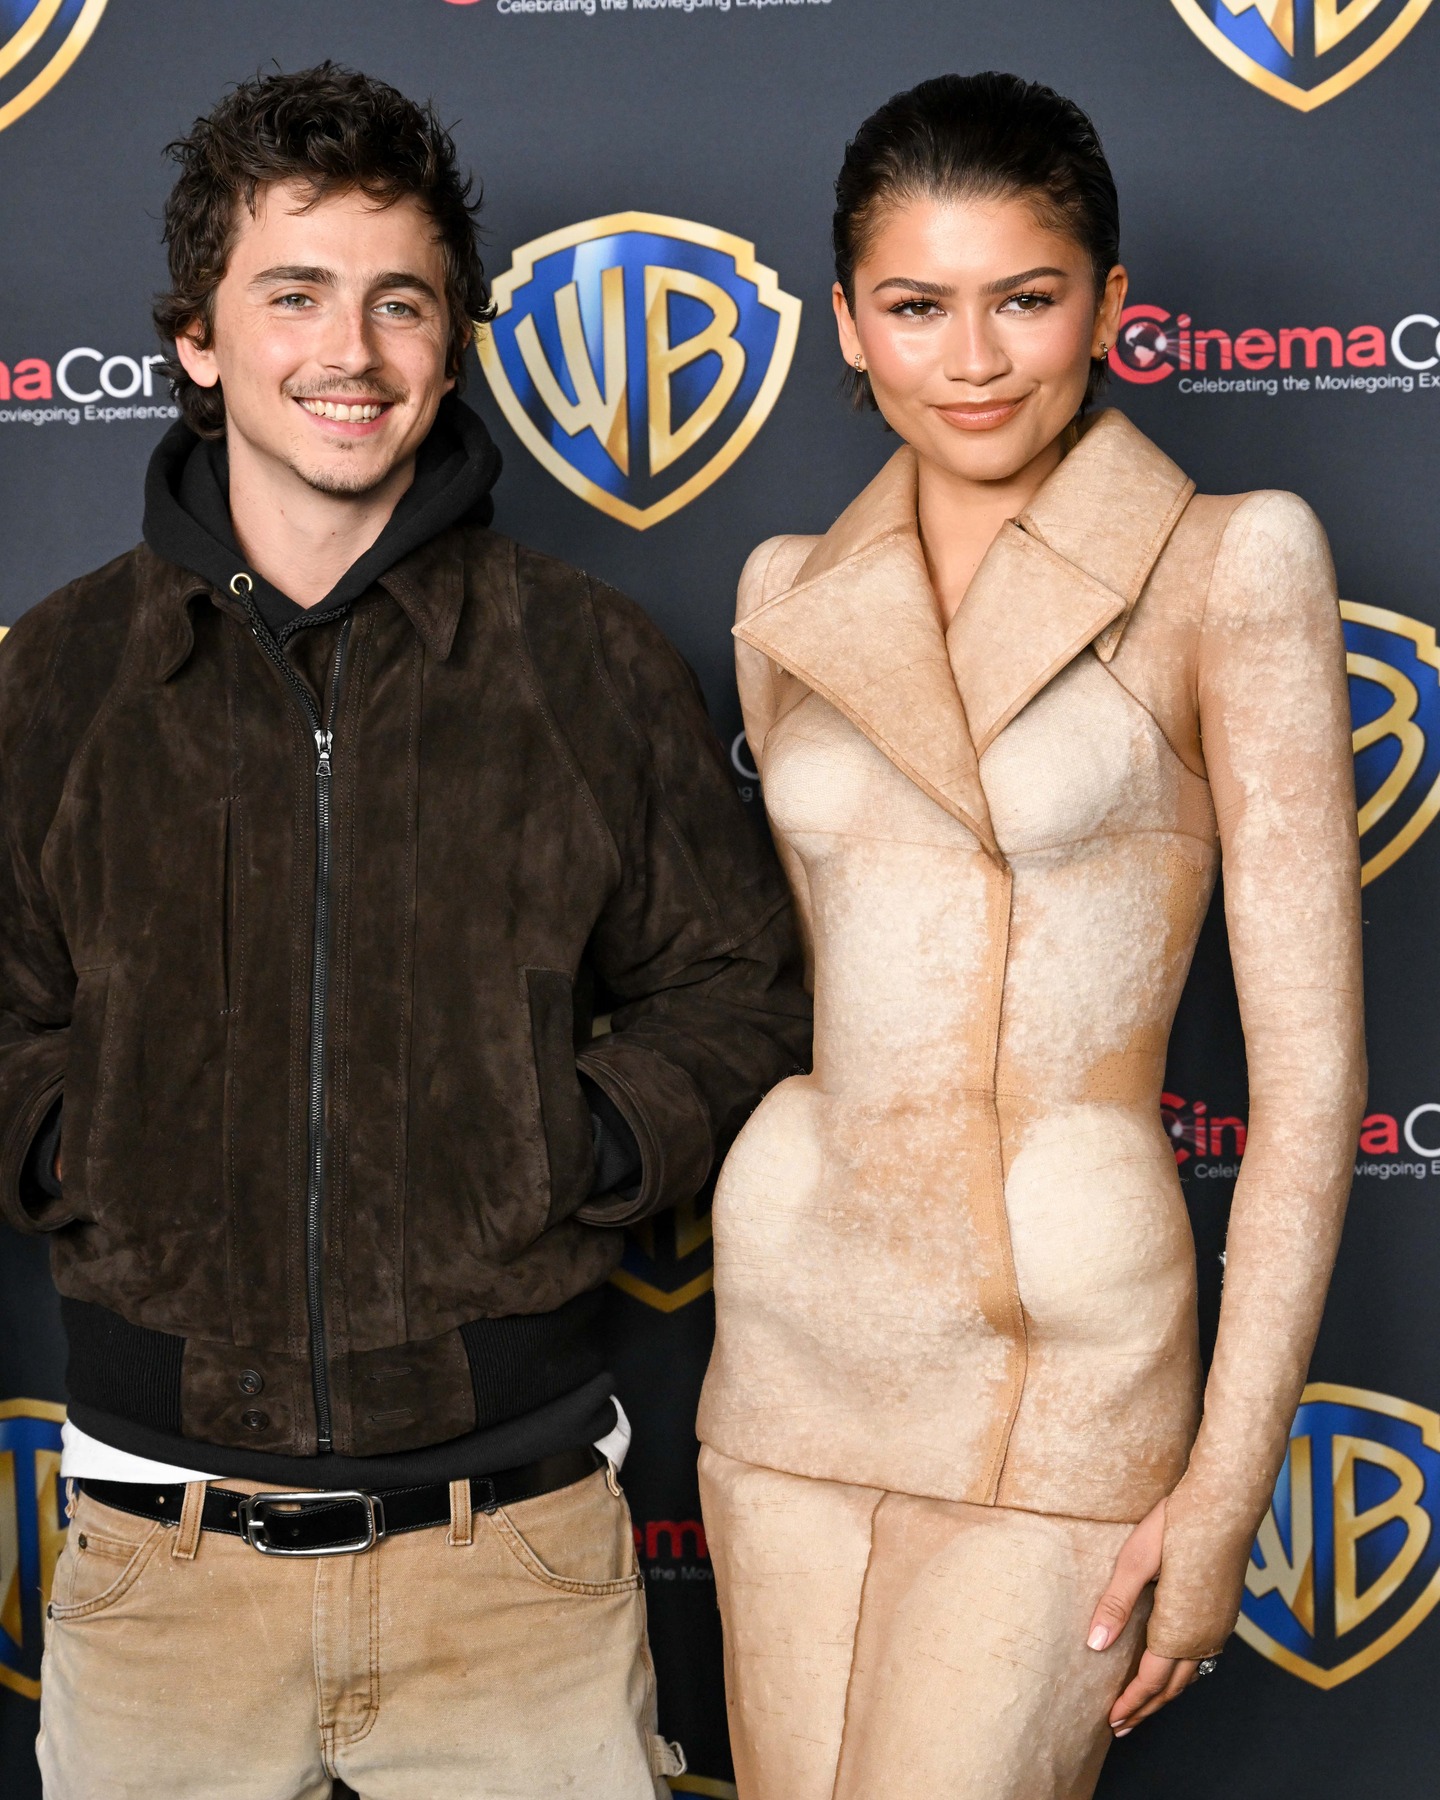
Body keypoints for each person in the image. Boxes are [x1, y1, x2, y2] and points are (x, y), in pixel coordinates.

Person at [0, 64, 810, 1800]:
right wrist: (85, 1137)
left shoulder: (585, 661)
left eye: (399, 301)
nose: (347, 351)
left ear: (451, 341)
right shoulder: (60, 675)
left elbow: (739, 989)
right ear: (200, 340)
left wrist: (568, 1137)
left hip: (512, 1564)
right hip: (160, 1574)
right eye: (291, 293)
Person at [696, 72, 1364, 1800]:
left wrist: (1225, 1494)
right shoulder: (784, 591)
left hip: (1065, 1365)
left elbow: (1308, 1090)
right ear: (846, 324)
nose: (974, 359)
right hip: (793, 1347)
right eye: (917, 307)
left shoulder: (1235, 562)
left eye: (1027, 297)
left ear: (1112, 307)